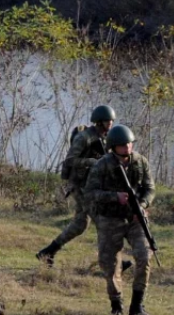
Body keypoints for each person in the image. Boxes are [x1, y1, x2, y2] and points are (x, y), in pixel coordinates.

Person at [84, 124, 156, 315]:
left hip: (135, 218)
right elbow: (90, 193)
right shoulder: (102, 165)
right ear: (113, 147)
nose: (127, 148)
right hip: (110, 218)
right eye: (123, 145)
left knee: (144, 256)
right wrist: (114, 197)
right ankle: (116, 304)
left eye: (130, 144)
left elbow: (150, 189)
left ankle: (137, 306)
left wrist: (141, 205)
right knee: (109, 263)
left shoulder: (141, 162)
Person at [36, 105, 116, 265]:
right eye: (108, 121)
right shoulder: (84, 137)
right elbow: (70, 160)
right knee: (102, 221)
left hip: (91, 184)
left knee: (80, 224)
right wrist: (91, 162)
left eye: (112, 121)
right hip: (80, 186)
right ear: (99, 121)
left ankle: (48, 251)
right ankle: (111, 262)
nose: (111, 124)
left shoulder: (105, 138)